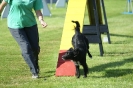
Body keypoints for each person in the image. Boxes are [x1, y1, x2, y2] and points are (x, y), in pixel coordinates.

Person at [0, 0, 47, 79]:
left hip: (31, 24)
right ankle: (34, 72)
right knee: (26, 47)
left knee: (35, 48)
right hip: (15, 25)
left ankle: (35, 63)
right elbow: (2, 5)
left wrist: (41, 20)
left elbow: (37, 10)